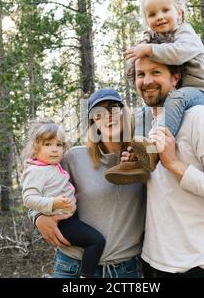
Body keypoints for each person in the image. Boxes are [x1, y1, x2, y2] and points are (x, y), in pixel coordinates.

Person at [121, 51, 204, 277]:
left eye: (155, 72)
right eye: (140, 74)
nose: (146, 81)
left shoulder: (200, 118)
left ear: (175, 78)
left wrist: (174, 164)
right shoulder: (147, 123)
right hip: (151, 263)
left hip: (196, 268)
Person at [28, 88, 146, 278]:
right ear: (93, 123)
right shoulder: (75, 158)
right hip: (74, 267)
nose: (108, 116)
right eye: (99, 113)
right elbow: (37, 185)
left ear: (125, 114)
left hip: (124, 270)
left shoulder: (143, 158)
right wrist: (37, 216)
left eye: (114, 108)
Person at [106, 0, 204, 184]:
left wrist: (148, 49)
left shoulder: (185, 34)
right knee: (143, 113)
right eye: (152, 14)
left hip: (198, 91)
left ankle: (155, 147)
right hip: (180, 91)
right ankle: (136, 157)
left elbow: (178, 53)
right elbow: (147, 49)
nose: (160, 17)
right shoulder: (156, 38)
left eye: (165, 10)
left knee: (175, 98)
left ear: (179, 13)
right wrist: (143, 47)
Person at [21, 119, 106, 278]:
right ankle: (86, 276)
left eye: (59, 145)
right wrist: (53, 203)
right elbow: (28, 198)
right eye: (47, 144)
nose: (54, 150)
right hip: (61, 222)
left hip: (69, 217)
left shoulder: (53, 165)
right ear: (35, 148)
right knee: (96, 241)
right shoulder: (36, 171)